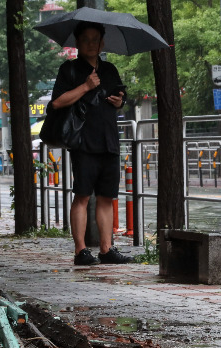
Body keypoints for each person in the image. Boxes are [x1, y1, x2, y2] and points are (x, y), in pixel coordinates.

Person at [50, 21, 134, 266]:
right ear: (77, 43)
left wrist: (119, 102)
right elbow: (57, 102)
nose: (90, 43)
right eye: (85, 39)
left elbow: (120, 97)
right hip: (83, 141)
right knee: (83, 195)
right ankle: (80, 251)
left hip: (109, 139)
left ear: (102, 43)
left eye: (95, 39)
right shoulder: (70, 70)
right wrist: (85, 86)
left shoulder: (109, 69)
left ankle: (107, 249)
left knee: (107, 197)